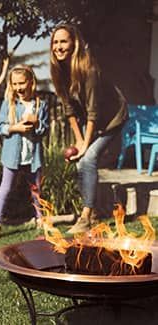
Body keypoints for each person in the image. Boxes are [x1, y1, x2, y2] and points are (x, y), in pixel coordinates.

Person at [50, 24, 128, 234]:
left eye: (63, 41)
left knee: (89, 157)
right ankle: (94, 211)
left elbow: (93, 111)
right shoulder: (60, 72)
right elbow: (69, 111)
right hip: (94, 119)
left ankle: (85, 218)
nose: (58, 46)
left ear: (74, 43)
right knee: (79, 163)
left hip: (113, 117)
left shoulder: (89, 70)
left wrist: (86, 144)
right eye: (55, 42)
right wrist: (79, 141)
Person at [0, 64, 49, 240]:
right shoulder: (9, 104)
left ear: (31, 82)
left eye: (22, 83)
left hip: (33, 157)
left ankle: (40, 219)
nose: (19, 88)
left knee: (36, 190)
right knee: (5, 189)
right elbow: (0, 128)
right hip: (12, 157)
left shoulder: (40, 105)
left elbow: (44, 130)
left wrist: (36, 124)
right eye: (15, 84)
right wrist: (15, 128)